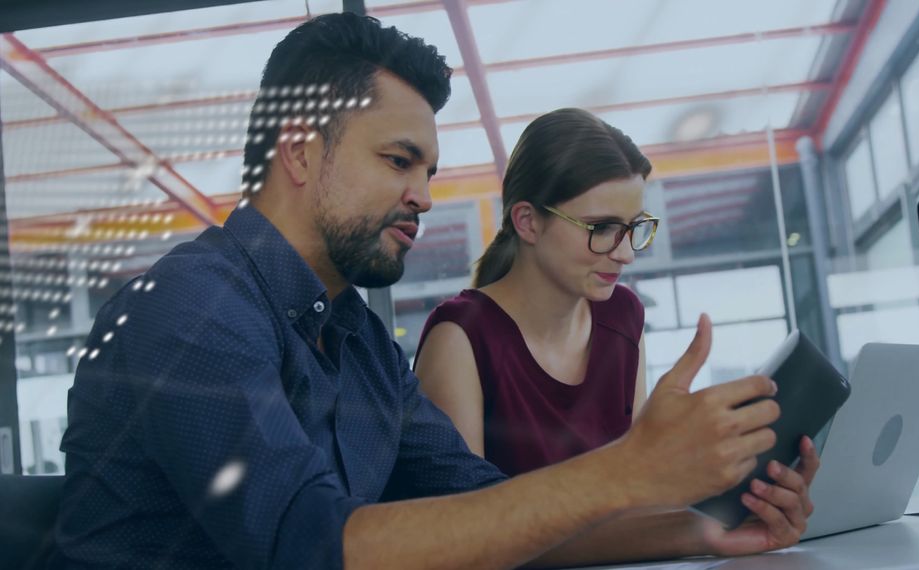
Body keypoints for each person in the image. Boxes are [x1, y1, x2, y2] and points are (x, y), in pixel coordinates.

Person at [54, 13, 818, 569]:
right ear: (300, 152)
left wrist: (703, 530)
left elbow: (490, 510)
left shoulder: (358, 340)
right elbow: (312, 547)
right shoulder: (190, 310)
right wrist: (628, 471)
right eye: (399, 161)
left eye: (429, 171)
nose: (423, 195)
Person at [414, 108, 656, 477]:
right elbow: (461, 509)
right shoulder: (460, 338)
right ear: (527, 222)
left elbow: (639, 479)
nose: (625, 254)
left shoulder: (623, 314)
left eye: (633, 227)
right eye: (602, 227)